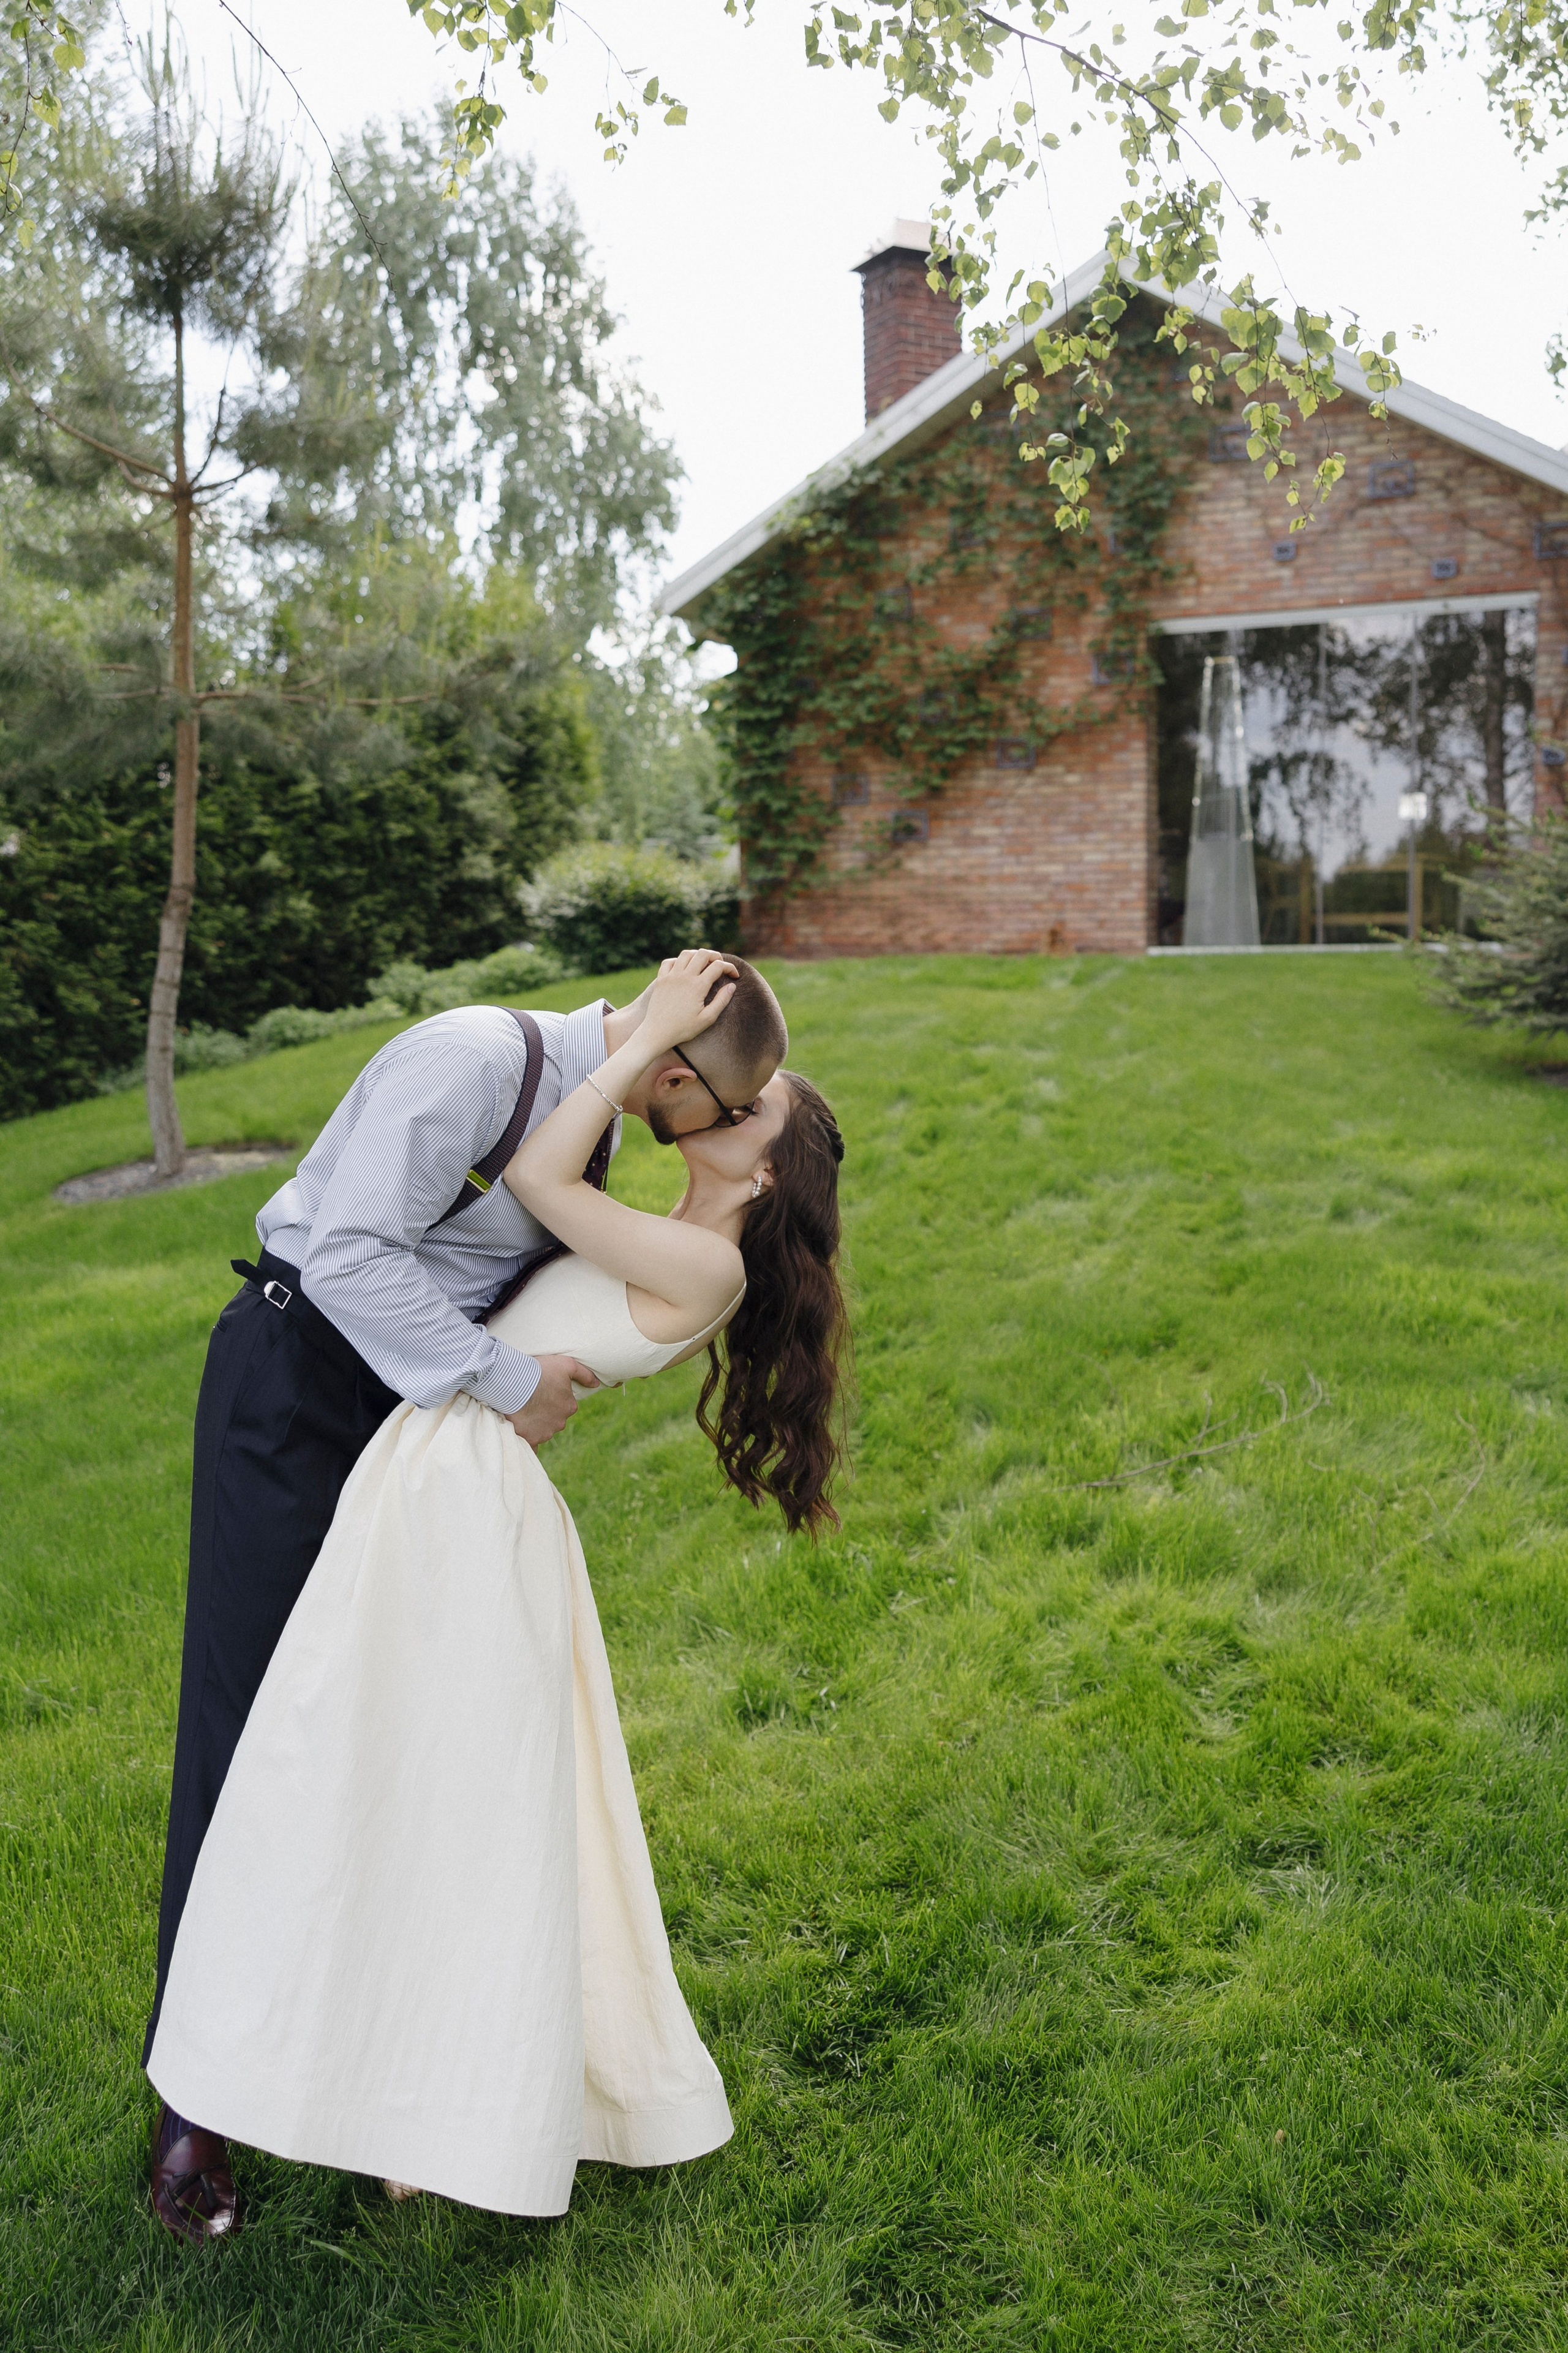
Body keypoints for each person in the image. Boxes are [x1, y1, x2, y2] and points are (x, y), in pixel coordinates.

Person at [145, 950, 848, 2223]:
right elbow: (352, 1252)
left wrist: (482, 1381)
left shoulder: (608, 1146)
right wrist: (504, 1379)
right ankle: (193, 2104)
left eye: (731, 1117)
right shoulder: (476, 1057)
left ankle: (370, 2079)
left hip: (419, 1436)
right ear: (675, 1071)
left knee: (394, 1764)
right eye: (717, 1100)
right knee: (252, 1734)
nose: (705, 1121)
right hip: (298, 1388)